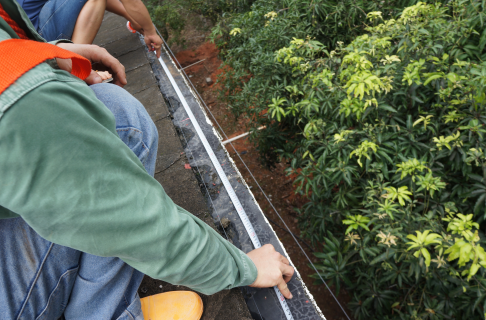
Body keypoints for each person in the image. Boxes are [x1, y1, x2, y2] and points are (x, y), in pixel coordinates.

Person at [0, 0, 294, 319]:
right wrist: (247, 267)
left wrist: (53, 57)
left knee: (114, 111)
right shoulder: (18, 98)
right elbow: (128, 216)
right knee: (124, 135)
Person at [16, 0, 163, 57]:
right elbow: (132, 2)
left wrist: (132, 19)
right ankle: (76, 63)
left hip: (23, 42)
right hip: (36, 42)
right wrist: (150, 31)